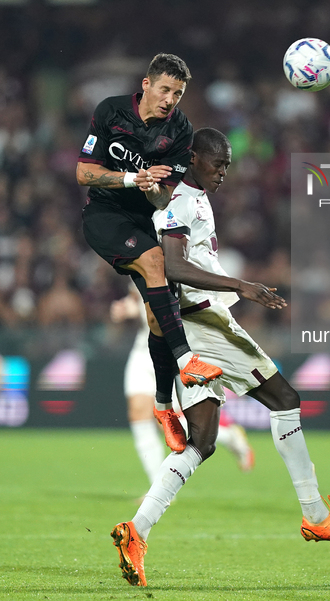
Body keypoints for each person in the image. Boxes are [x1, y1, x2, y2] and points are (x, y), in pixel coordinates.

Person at [110, 127, 330, 587]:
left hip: (186, 325)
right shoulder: (183, 202)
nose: (224, 173)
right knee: (284, 397)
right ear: (195, 159)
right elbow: (171, 265)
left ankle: (137, 529)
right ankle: (314, 514)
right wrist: (240, 286)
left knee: (203, 440)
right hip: (204, 322)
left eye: (228, 165)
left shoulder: (190, 196)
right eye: (218, 164)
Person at [76, 53, 222, 454]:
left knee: (160, 312)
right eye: (164, 89)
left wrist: (154, 188)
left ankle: (163, 408)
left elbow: (163, 198)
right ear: (146, 84)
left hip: (142, 222)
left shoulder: (180, 131)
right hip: (104, 214)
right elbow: (83, 172)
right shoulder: (111, 111)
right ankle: (187, 359)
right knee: (157, 261)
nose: (170, 99)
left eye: (177, 93)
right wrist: (129, 178)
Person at [110, 288, 255, 486]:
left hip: (180, 351)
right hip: (145, 350)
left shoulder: (181, 263)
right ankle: (157, 486)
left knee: (175, 422)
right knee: (139, 412)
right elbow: (138, 296)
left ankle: (230, 437)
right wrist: (127, 306)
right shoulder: (138, 260)